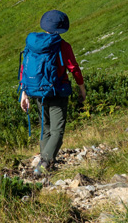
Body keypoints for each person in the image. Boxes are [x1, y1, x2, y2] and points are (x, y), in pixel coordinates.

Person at [19, 9, 86, 175]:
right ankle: (43, 165)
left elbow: (24, 68)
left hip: (36, 91)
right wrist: (82, 88)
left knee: (45, 128)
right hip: (57, 91)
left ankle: (44, 164)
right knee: (57, 130)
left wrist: (24, 92)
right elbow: (74, 68)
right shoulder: (63, 46)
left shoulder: (33, 43)